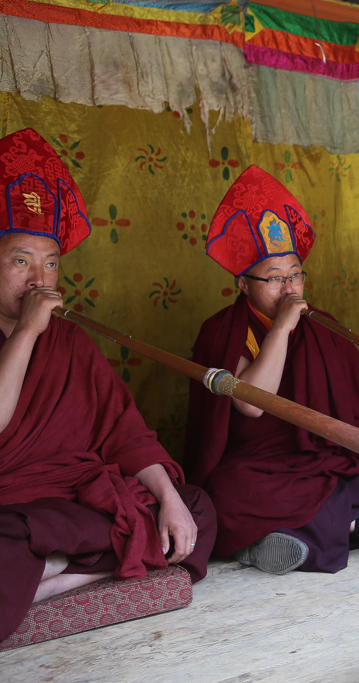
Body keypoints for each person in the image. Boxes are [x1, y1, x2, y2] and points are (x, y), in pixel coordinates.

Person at [0, 128, 215, 642]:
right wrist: (27, 330)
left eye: (51, 262)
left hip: (74, 501)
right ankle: (63, 567)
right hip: (12, 506)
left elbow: (123, 434)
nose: (39, 278)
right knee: (9, 537)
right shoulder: (38, 329)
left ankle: (60, 575)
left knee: (196, 509)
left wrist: (169, 497)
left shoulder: (70, 341)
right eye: (20, 261)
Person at [184, 166, 359, 575]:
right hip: (261, 463)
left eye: (296, 274)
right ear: (243, 284)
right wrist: (281, 327)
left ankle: (285, 537)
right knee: (228, 493)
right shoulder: (221, 332)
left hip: (323, 456)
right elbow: (252, 406)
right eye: (275, 278)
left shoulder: (321, 324)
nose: (290, 288)